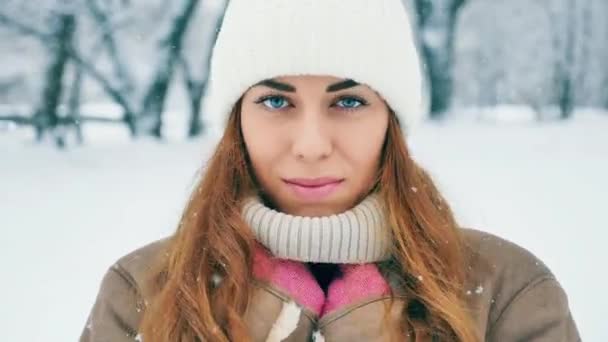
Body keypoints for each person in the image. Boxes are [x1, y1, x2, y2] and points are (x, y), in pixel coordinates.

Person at [80, 0, 580, 341]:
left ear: (392, 121)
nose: (312, 145)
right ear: (237, 121)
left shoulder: (505, 287)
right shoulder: (144, 287)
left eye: (348, 101)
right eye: (276, 101)